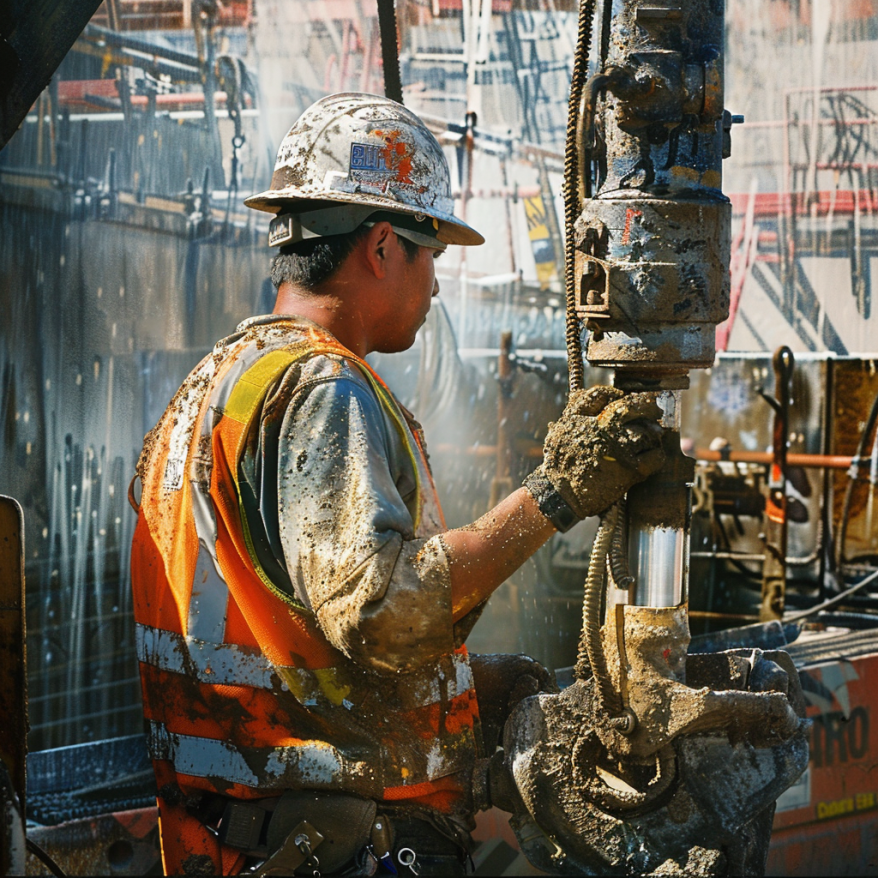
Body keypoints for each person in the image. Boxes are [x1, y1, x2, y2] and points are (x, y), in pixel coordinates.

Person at [130, 93, 665, 877]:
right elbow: (380, 615)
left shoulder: (211, 389)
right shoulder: (321, 391)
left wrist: (463, 691)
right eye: (431, 256)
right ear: (382, 246)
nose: (438, 287)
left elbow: (279, 639)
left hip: (235, 837)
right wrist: (555, 496)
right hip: (334, 846)